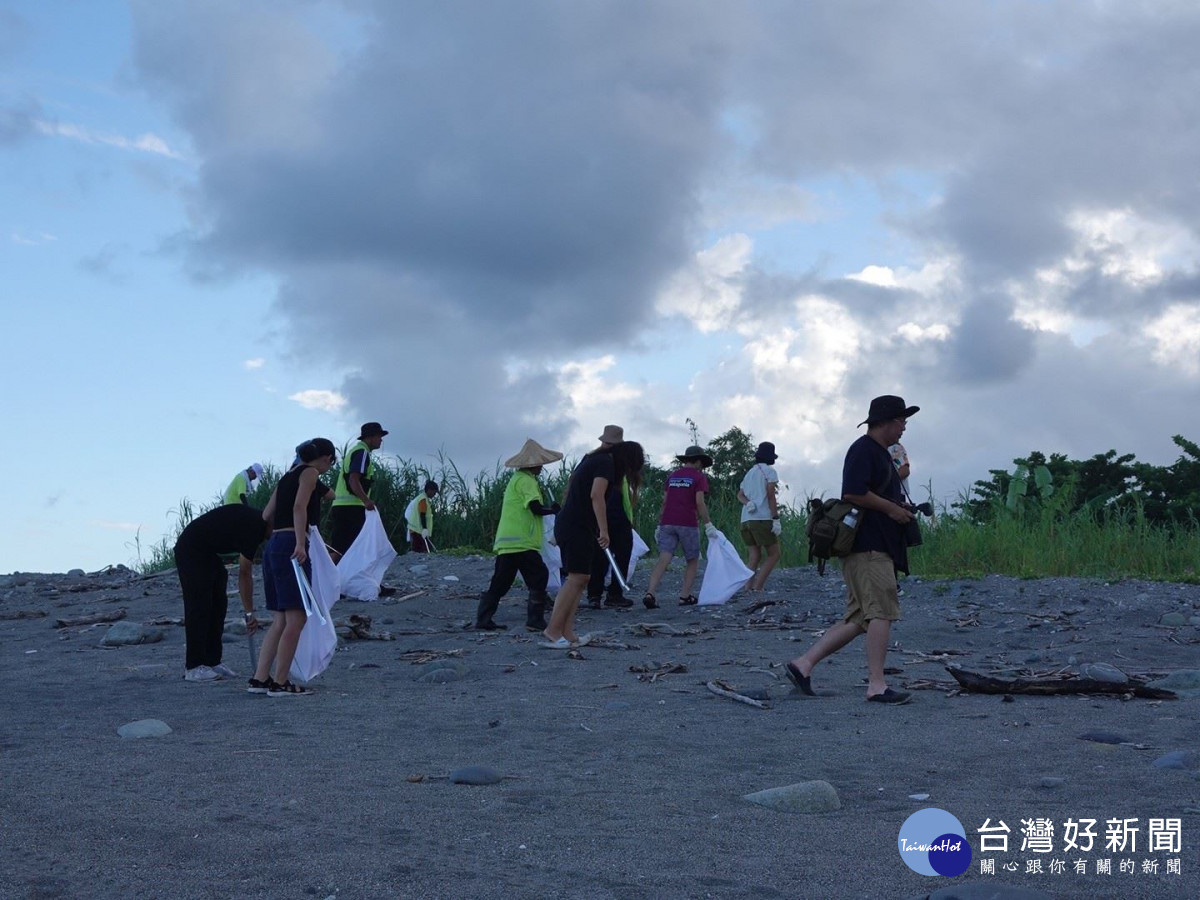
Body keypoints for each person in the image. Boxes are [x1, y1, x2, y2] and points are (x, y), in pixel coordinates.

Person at [784, 395, 919, 704]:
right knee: (881, 612)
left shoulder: (881, 453)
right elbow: (853, 492)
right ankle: (877, 685)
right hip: (869, 547)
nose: (903, 429)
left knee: (859, 619)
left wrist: (900, 509)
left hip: (872, 546)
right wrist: (892, 510)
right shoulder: (863, 450)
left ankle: (802, 665)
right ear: (884, 422)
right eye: (901, 422)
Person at [249, 438, 337, 697]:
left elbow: (266, 514)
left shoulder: (287, 476)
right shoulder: (309, 473)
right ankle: (280, 682)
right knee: (296, 618)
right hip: (291, 544)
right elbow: (300, 506)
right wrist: (300, 542)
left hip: (274, 544)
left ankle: (260, 679)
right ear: (325, 459)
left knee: (280, 619)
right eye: (330, 462)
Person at [542, 434, 644, 648]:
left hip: (580, 526)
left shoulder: (596, 461)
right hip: (574, 526)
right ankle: (552, 630)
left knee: (582, 578)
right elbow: (596, 496)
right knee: (575, 578)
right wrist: (604, 531)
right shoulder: (605, 464)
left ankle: (568, 632)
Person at [473, 439, 563, 631]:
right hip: (522, 541)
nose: (541, 468)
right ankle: (535, 620)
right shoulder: (527, 481)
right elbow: (535, 508)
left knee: (500, 581)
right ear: (533, 465)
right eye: (539, 464)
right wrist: (554, 511)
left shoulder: (516, 479)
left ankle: (483, 619)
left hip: (507, 542)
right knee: (539, 575)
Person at [173, 504, 270, 681]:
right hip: (190, 548)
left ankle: (212, 661)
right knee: (199, 604)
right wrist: (249, 613)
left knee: (218, 603)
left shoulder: (258, 522)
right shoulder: (255, 528)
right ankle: (193, 666)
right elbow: (245, 573)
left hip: (208, 552)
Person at [642, 445, 716, 608]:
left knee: (664, 558)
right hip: (687, 522)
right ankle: (684, 596)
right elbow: (699, 502)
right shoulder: (698, 477)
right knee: (692, 559)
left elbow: (665, 501)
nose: (702, 467)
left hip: (667, 522)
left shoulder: (672, 476)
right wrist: (708, 523)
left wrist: (659, 523)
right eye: (701, 463)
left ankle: (650, 592)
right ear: (697, 461)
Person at [586, 443, 644, 610]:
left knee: (601, 557)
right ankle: (612, 594)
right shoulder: (610, 467)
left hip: (609, 517)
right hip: (611, 517)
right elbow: (598, 496)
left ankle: (596, 595)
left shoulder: (602, 463)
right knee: (616, 556)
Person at [329, 422, 388, 562]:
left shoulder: (357, 451)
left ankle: (340, 580)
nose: (381, 440)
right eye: (379, 436)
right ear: (370, 437)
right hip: (350, 508)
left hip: (344, 507)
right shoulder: (361, 453)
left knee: (345, 547)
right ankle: (319, 578)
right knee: (343, 549)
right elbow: (353, 479)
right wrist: (366, 500)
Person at [738, 441, 781, 592]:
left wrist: (748, 503)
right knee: (774, 554)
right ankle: (758, 587)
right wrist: (775, 518)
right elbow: (771, 495)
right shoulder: (769, 472)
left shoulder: (749, 473)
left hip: (745, 519)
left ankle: (747, 587)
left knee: (754, 555)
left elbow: (740, 495)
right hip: (762, 518)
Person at [406, 480, 440, 552]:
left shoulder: (422, 498)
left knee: (420, 549)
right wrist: (424, 528)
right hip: (417, 530)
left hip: (417, 529)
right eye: (434, 492)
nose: (434, 495)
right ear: (429, 490)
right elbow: (422, 514)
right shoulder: (423, 500)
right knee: (420, 550)